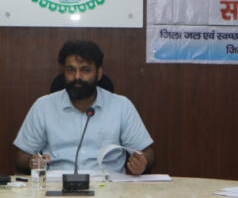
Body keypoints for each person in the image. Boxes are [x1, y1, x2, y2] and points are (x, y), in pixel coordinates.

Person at [13, 40, 155, 175]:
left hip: (109, 186)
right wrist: (33, 162)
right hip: (57, 185)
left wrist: (143, 162)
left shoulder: (121, 106)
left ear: (99, 73)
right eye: (70, 70)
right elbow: (22, 156)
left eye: (85, 70)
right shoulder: (43, 106)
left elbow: (147, 153)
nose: (77, 77)